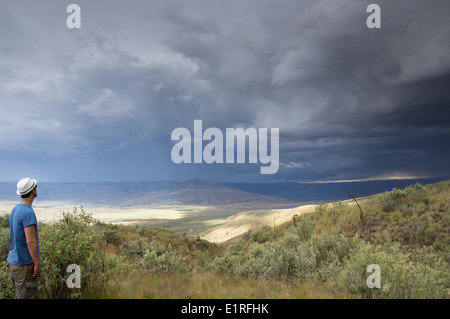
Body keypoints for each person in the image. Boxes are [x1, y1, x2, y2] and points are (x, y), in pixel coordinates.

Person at [7, 177, 41, 299]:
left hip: (14, 262)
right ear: (32, 191)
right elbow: (30, 241)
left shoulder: (15, 209)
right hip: (24, 264)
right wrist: (37, 263)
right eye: (35, 187)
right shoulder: (28, 212)